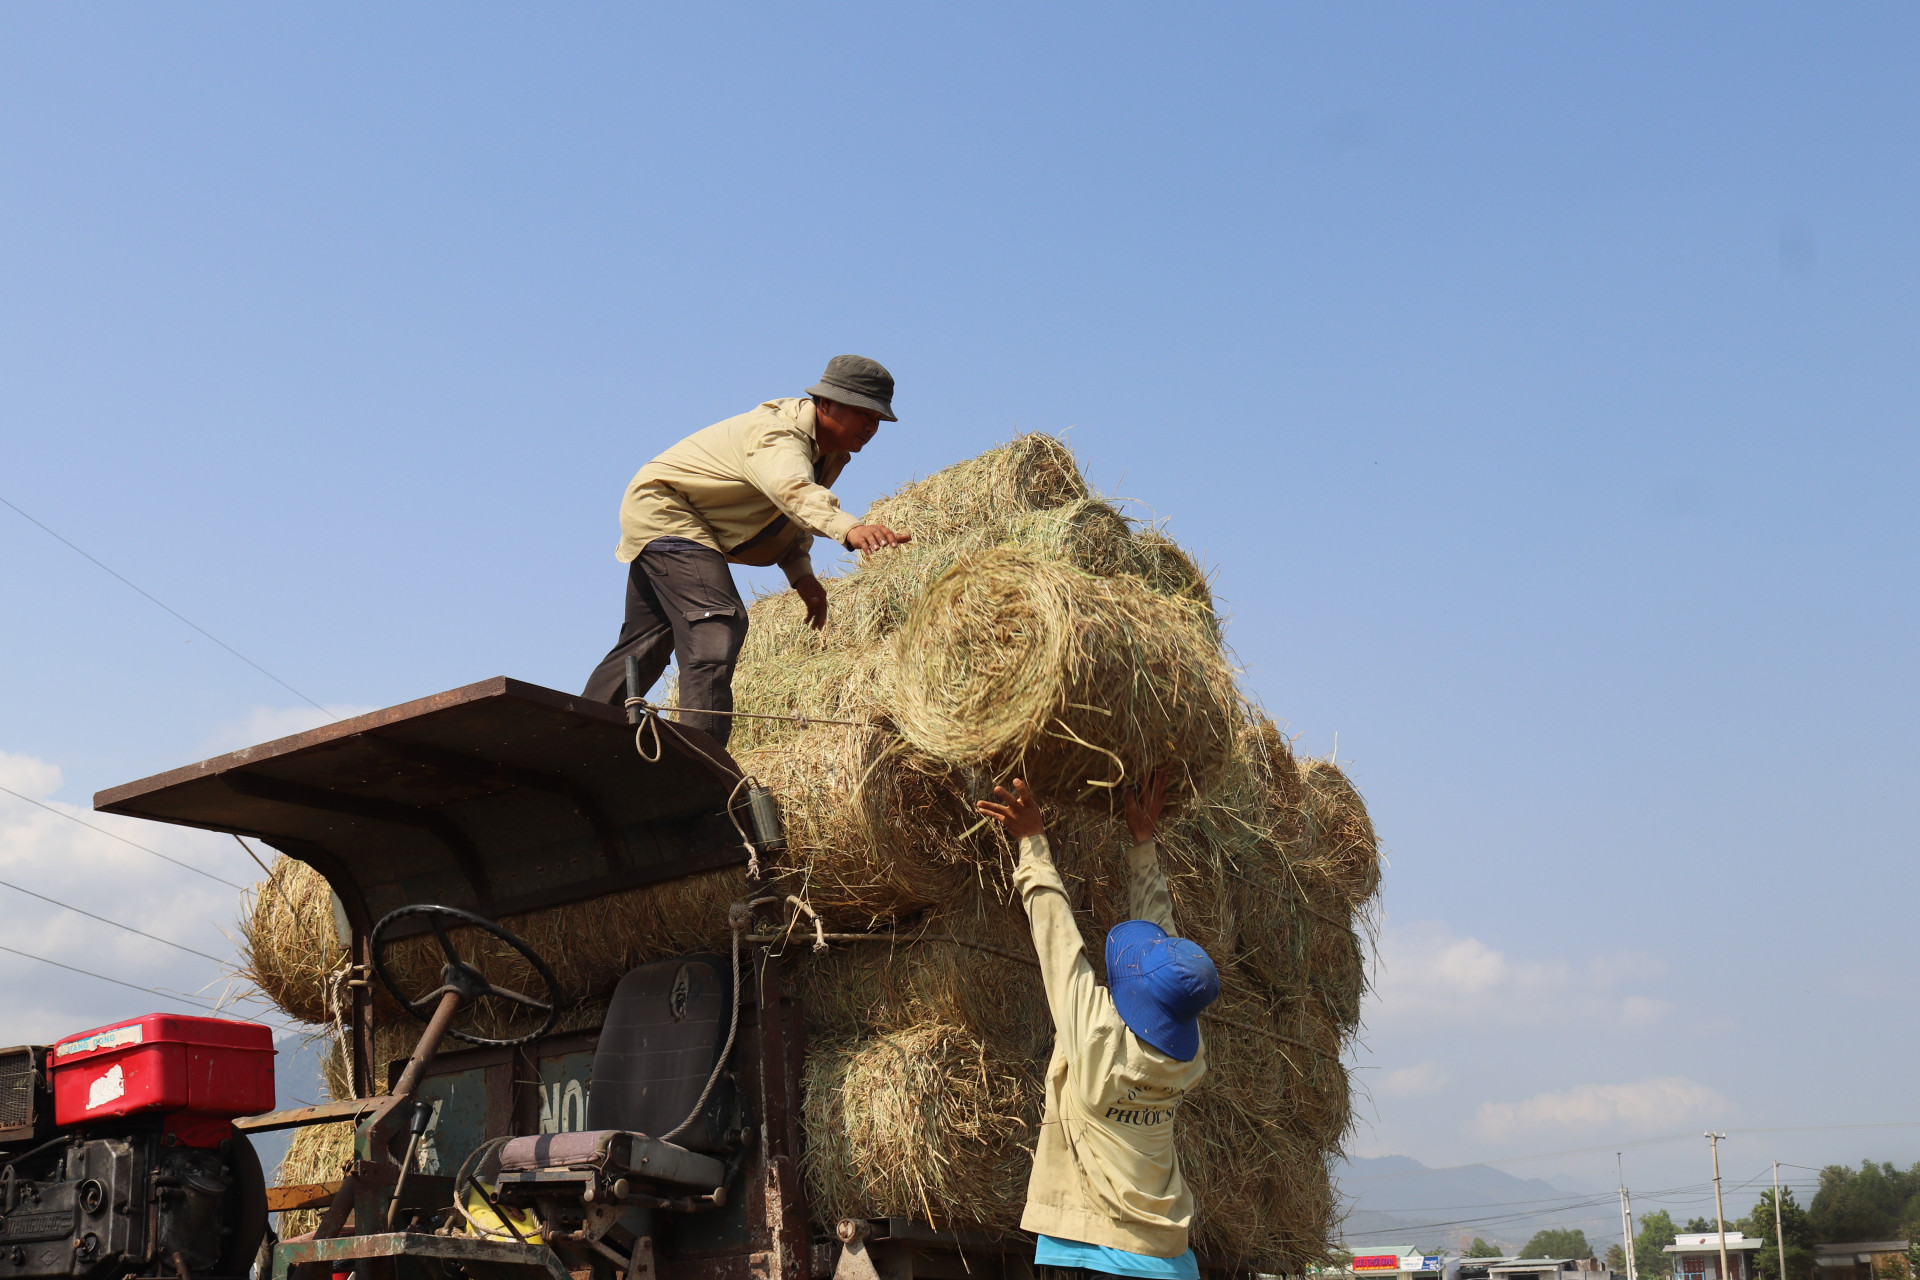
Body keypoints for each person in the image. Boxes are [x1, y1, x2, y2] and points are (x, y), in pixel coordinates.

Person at [582, 355, 911, 745]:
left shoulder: (828, 452)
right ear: (826, 404)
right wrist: (851, 529)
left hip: (679, 516)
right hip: (668, 509)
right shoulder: (779, 435)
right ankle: (701, 755)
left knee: (648, 640)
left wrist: (802, 576)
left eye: (878, 419)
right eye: (862, 414)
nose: (871, 427)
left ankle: (579, 733)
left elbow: (785, 518)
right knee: (716, 620)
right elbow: (794, 492)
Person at [974, 770, 1221, 1280]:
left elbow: (1057, 940)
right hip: (1170, 1259)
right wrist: (1143, 845)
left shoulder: (1099, 1041)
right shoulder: (1186, 1058)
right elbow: (1166, 956)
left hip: (1090, 1254)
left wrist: (1032, 842)